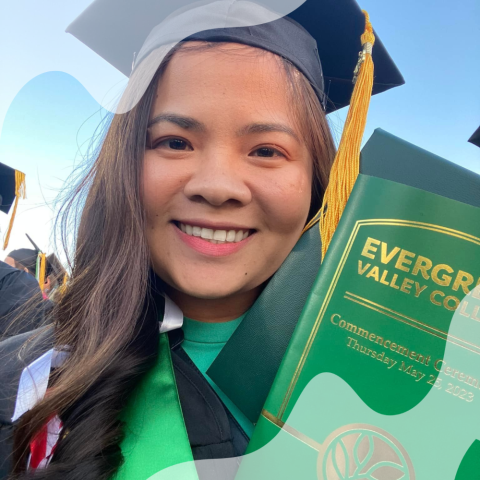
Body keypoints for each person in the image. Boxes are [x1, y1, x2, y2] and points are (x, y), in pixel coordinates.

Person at [0, 0, 404, 479]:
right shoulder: (27, 379)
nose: (216, 186)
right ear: (125, 162)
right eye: (175, 142)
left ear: (320, 178)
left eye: (267, 150)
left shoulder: (392, 373)